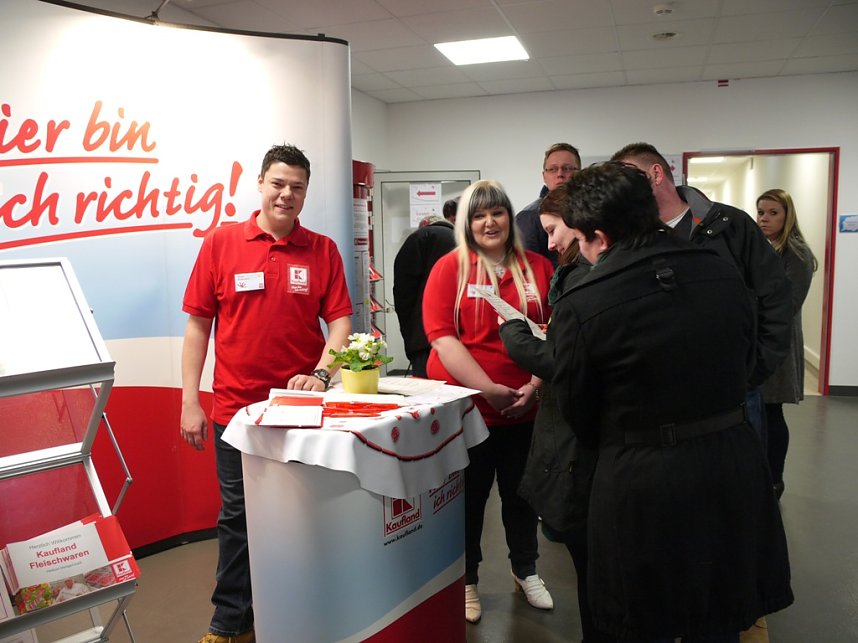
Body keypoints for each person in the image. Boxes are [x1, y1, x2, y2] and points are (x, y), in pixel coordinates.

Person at [550, 162, 793, 642]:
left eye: (579, 240)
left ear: (599, 235)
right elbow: (747, 358)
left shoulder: (586, 302)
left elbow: (579, 410)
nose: (578, 250)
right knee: (721, 611)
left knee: (642, 617)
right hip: (732, 461)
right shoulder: (723, 274)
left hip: (642, 478)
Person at [180, 144, 353, 643]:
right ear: (260, 183)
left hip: (302, 410)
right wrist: (189, 399)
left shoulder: (322, 250)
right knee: (238, 517)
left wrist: (322, 374)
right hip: (236, 411)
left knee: (302, 513)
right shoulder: (221, 243)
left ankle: (301, 611)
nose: (287, 194)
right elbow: (197, 327)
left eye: (297, 187)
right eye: (278, 183)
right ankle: (231, 623)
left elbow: (340, 319)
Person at [422, 179, 555, 624]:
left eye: (496, 212)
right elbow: (443, 339)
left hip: (526, 407)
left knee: (524, 496)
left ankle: (526, 570)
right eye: (478, 215)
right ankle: (468, 581)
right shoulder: (449, 269)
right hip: (468, 413)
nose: (489, 222)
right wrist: (489, 390)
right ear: (466, 223)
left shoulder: (538, 267)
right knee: (469, 500)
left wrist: (533, 386)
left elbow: (554, 333)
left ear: (509, 217)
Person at [611, 142, 792, 442]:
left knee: (742, 480)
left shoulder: (730, 225)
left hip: (735, 387)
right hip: (666, 393)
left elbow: (775, 295)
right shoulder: (632, 239)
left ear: (656, 174)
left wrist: (755, 367)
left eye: (629, 176)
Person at [499, 185, 613, 643]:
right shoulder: (579, 271)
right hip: (573, 426)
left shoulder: (588, 277)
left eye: (552, 231)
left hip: (590, 436)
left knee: (594, 555)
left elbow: (562, 358)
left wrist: (515, 335)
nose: (547, 242)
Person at [756, 188, 817, 499]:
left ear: (787, 215)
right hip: (758, 338)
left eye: (773, 213)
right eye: (761, 212)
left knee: (772, 410)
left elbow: (788, 303)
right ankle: (760, 475)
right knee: (760, 410)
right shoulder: (765, 248)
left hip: (778, 341)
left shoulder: (797, 254)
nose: (765, 219)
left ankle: (775, 479)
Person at [393, 214, 456, 377]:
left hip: (423, 335)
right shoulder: (463, 240)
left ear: (425, 224)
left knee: (426, 386)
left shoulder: (418, 238)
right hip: (456, 334)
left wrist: (409, 332)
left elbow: (403, 290)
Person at [515, 143, 582, 266]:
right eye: (553, 169)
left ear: (580, 173)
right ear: (544, 176)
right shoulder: (529, 216)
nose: (560, 174)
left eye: (567, 168)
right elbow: (527, 268)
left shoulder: (591, 209)